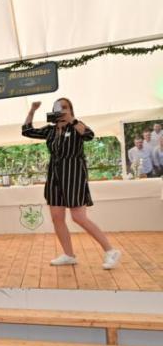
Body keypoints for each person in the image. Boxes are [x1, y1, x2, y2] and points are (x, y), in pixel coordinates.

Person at [22, 99, 121, 269]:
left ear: (70, 110)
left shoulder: (76, 126)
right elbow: (27, 131)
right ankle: (69, 255)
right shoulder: (50, 130)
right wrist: (32, 110)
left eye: (65, 107)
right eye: (58, 108)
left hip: (74, 176)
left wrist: (72, 120)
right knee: (57, 218)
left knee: (78, 217)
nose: (61, 110)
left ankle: (111, 251)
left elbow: (89, 135)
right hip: (54, 177)